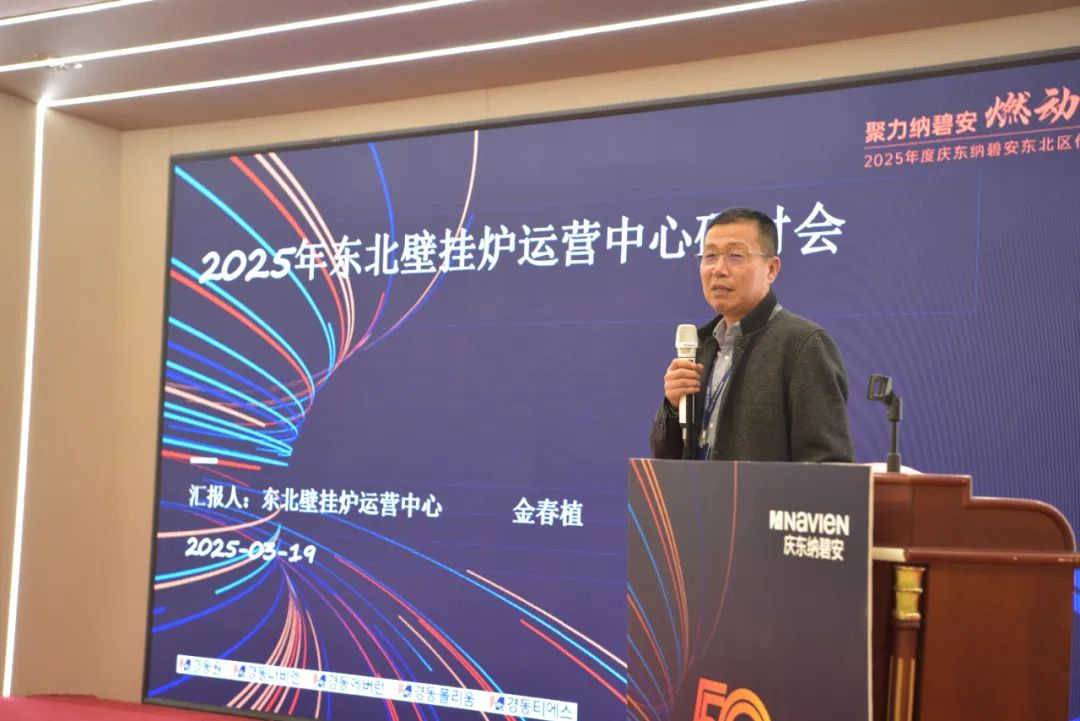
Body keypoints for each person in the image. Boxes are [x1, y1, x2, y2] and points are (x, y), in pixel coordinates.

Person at [650, 207, 854, 462]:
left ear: (771, 269)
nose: (718, 269)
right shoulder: (701, 346)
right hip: (699, 490)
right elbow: (666, 457)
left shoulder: (803, 344)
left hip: (764, 491)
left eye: (735, 256)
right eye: (710, 256)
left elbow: (827, 464)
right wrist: (672, 407)